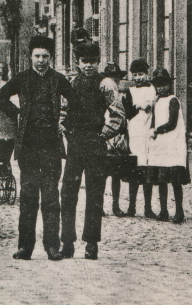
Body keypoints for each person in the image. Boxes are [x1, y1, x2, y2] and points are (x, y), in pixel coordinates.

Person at [0, 35, 69, 261]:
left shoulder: (58, 80)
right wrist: (16, 114)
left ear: (51, 58)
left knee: (51, 199)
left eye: (45, 56)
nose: (41, 61)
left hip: (51, 149)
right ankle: (25, 247)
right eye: (37, 56)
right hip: (27, 148)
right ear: (30, 57)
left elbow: (76, 102)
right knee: (27, 199)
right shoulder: (22, 78)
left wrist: (65, 121)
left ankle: (52, 247)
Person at [59, 42, 125, 260]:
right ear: (77, 62)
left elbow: (117, 113)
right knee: (68, 192)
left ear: (98, 61)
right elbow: (64, 112)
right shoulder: (72, 83)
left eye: (93, 61)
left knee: (95, 194)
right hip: (75, 144)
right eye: (84, 61)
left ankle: (91, 243)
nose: (88, 65)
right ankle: (67, 241)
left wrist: (103, 134)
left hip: (95, 143)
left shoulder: (105, 83)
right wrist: (65, 127)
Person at [146, 67, 189, 223]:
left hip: (173, 145)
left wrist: (157, 130)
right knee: (162, 180)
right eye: (158, 85)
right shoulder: (156, 102)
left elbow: (171, 123)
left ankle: (179, 210)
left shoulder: (173, 100)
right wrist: (152, 130)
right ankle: (163, 210)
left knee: (175, 180)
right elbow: (154, 119)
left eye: (164, 84)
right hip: (161, 146)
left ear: (169, 85)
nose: (161, 88)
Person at [101, 63, 136, 217]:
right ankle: (99, 205)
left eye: (116, 78)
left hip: (118, 137)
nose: (114, 81)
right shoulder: (101, 95)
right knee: (101, 174)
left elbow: (126, 116)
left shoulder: (121, 96)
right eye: (111, 78)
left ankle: (115, 205)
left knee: (116, 174)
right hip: (104, 135)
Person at [125, 58, 157, 218]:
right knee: (134, 169)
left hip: (148, 132)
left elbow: (156, 109)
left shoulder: (152, 89)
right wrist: (137, 106)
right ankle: (131, 207)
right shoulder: (130, 92)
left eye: (141, 74)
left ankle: (148, 207)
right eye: (135, 75)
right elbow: (127, 113)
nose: (138, 78)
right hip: (135, 132)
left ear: (146, 74)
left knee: (147, 171)